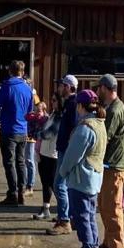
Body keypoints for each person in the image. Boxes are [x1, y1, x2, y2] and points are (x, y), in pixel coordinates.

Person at [58, 89, 106, 248]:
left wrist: (63, 172)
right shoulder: (100, 124)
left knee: (83, 219)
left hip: (81, 180)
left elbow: (72, 156)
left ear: (80, 106)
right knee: (90, 217)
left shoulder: (85, 128)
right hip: (94, 178)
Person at [96, 74, 124, 248]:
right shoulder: (112, 107)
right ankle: (109, 242)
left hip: (115, 165)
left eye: (99, 88)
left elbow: (104, 137)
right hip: (109, 164)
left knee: (112, 207)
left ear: (105, 88)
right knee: (103, 205)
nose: (97, 92)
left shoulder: (115, 110)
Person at [0, 60, 34, 206]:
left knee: (9, 162)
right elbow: (30, 110)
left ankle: (13, 193)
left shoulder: (7, 86)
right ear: (22, 72)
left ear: (10, 71)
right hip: (22, 129)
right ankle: (22, 191)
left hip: (9, 129)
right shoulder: (28, 88)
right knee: (20, 161)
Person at [49, 75, 79, 233]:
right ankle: (69, 216)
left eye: (61, 85)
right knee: (66, 186)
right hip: (63, 148)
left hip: (66, 150)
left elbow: (75, 129)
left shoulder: (73, 104)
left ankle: (64, 221)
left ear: (68, 87)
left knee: (59, 184)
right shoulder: (68, 103)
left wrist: (69, 148)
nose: (59, 88)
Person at [31, 97, 61, 221]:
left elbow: (50, 133)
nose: (52, 102)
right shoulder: (52, 115)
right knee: (45, 183)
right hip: (44, 153)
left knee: (55, 185)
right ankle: (45, 209)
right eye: (52, 100)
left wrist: (36, 134)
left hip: (53, 155)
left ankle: (64, 211)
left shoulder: (60, 117)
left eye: (55, 100)